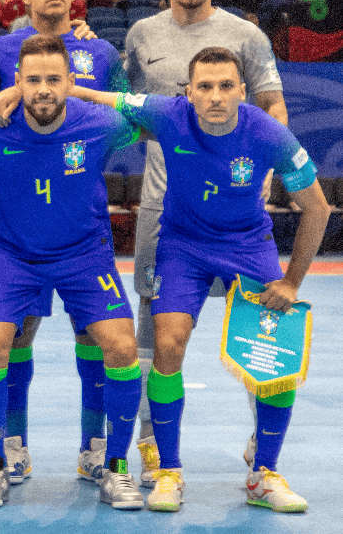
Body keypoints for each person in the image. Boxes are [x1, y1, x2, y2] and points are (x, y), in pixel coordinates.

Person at [66, 48, 329, 513]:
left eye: (226, 86)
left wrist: (290, 282)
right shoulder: (168, 114)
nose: (215, 96)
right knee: (167, 346)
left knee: (276, 358)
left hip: (248, 245)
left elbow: (317, 207)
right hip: (183, 246)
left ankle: (263, 472)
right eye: (204, 87)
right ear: (188, 93)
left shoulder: (270, 133)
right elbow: (104, 97)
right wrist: (61, 88)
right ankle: (169, 471)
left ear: (243, 91)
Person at [119, 0, 289, 488]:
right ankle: (150, 441)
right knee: (156, 326)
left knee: (259, 322)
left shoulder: (246, 35)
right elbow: (122, 104)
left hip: (237, 214)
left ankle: (260, 442)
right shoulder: (141, 34)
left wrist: (268, 171)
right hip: (162, 210)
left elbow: (271, 105)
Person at [0, 33, 146, 510]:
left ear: (71, 81)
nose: (43, 89)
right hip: (12, 254)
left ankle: (114, 466)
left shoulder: (101, 122)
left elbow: (153, 120)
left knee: (121, 347)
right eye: (32, 80)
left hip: (85, 253)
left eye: (54, 80)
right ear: (16, 82)